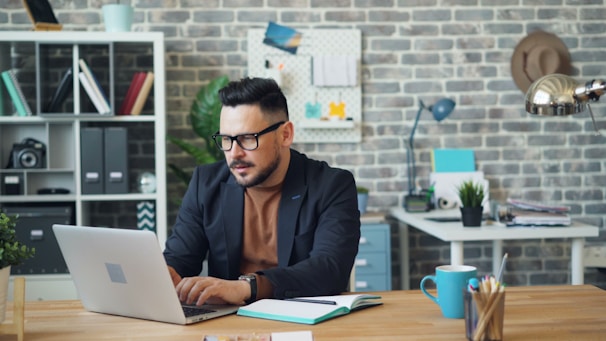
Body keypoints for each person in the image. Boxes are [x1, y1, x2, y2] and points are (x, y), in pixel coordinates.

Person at [163, 77, 361, 307]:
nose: (234, 153)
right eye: (227, 139)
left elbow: (330, 268)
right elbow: (180, 258)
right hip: (228, 322)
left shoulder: (331, 185)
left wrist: (247, 287)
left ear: (285, 135)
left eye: (248, 138)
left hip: (304, 317)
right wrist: (166, 274)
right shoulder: (205, 183)